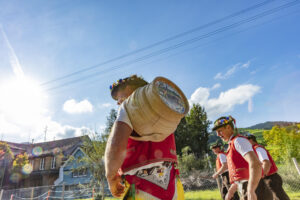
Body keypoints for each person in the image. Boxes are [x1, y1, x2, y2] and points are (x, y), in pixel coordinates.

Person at [104, 75, 185, 200]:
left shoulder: (130, 107)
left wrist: (111, 177)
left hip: (139, 187)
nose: (119, 103)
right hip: (173, 186)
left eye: (122, 98)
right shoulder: (165, 113)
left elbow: (116, 144)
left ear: (139, 94)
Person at [212, 116, 272, 200]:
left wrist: (251, 190)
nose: (218, 135)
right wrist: (231, 191)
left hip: (254, 188)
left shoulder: (238, 141)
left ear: (228, 127)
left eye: (220, 131)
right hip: (247, 187)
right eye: (217, 132)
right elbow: (241, 173)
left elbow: (255, 163)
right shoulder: (232, 144)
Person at [247, 134, 290, 200]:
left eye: (246, 141)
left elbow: (266, 163)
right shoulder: (255, 149)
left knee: (281, 198)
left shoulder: (258, 149)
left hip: (270, 178)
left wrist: (262, 175)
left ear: (251, 140)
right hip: (269, 178)